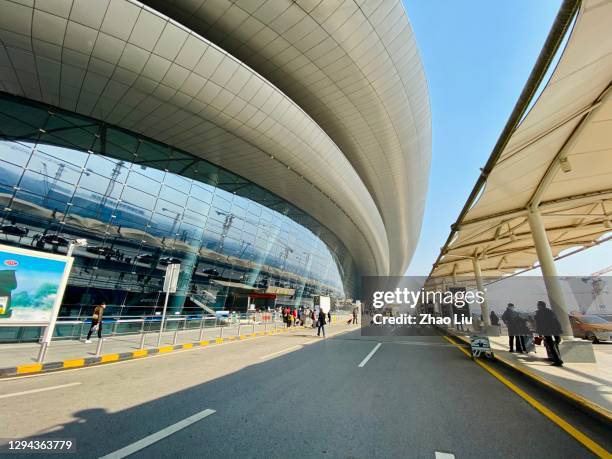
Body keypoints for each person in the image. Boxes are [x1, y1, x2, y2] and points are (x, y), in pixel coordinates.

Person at [534, 300, 564, 366]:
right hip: (555, 331)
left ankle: (557, 360)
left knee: (551, 346)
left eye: (538, 305)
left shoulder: (539, 313)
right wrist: (559, 330)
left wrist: (540, 334)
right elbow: (556, 321)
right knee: (555, 344)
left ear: (540, 306)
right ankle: (558, 359)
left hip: (547, 331)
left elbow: (539, 324)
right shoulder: (551, 312)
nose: (537, 306)